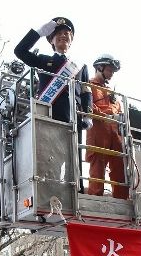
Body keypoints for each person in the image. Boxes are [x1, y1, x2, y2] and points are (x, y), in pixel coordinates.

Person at [14, 17, 92, 127]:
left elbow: (86, 91)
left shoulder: (80, 67)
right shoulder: (43, 60)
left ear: (71, 40)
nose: (63, 35)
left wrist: (88, 115)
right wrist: (39, 33)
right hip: (49, 117)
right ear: (51, 40)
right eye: (58, 33)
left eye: (66, 33)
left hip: (74, 118)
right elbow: (19, 51)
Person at [85, 54, 128, 199]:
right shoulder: (88, 85)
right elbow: (88, 106)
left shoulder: (112, 92)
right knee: (97, 165)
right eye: (109, 70)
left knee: (119, 165)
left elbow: (120, 111)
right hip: (98, 131)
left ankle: (122, 198)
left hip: (115, 134)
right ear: (99, 67)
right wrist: (105, 116)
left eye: (112, 71)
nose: (111, 74)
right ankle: (96, 197)